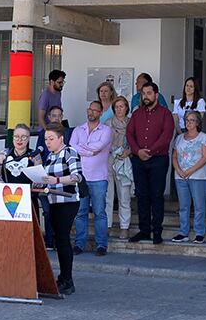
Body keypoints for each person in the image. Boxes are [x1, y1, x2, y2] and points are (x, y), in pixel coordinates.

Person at [126, 82, 174, 244]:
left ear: (156, 95)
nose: (145, 96)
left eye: (148, 93)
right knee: (142, 195)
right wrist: (137, 151)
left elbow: (166, 136)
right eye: (143, 94)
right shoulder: (137, 114)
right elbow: (129, 133)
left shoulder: (165, 114)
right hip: (139, 159)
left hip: (158, 160)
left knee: (156, 195)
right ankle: (144, 230)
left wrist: (150, 151)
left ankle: (157, 231)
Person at [40, 123, 83, 295]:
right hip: (53, 201)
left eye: (51, 139)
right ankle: (63, 277)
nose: (48, 142)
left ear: (61, 138)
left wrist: (55, 181)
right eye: (45, 139)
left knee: (63, 239)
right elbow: (47, 177)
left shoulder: (69, 152)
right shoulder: (50, 156)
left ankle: (68, 280)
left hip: (68, 201)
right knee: (59, 240)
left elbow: (76, 176)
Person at [71, 101, 113, 256]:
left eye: (95, 110)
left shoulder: (106, 130)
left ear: (101, 113)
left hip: (98, 177)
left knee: (99, 212)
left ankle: (101, 245)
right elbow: (72, 147)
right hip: (80, 177)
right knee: (80, 212)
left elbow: (99, 147)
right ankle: (79, 244)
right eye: (90, 109)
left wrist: (84, 149)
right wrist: (89, 152)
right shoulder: (77, 130)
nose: (92, 112)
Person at [171, 110, 206, 242]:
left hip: (198, 176)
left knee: (199, 205)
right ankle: (183, 232)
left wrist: (189, 171)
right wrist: (179, 170)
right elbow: (174, 156)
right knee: (183, 206)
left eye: (192, 120)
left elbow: (205, 157)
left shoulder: (204, 138)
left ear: (198, 123)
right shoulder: (179, 138)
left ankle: (199, 232)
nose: (189, 123)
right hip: (181, 176)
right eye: (187, 120)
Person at [37, 105, 71, 249]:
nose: (56, 118)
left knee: (60, 212)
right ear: (49, 117)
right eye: (54, 116)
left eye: (59, 116)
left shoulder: (68, 133)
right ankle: (50, 240)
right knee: (47, 211)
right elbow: (38, 154)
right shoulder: (42, 134)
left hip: (62, 179)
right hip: (45, 179)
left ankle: (60, 240)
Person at [106, 95, 133, 235]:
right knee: (108, 196)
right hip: (110, 161)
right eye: (116, 106)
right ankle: (107, 226)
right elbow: (103, 143)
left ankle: (124, 227)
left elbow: (136, 142)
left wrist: (129, 151)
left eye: (121, 106)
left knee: (124, 196)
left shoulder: (131, 122)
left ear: (126, 108)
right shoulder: (108, 123)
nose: (119, 109)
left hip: (125, 161)